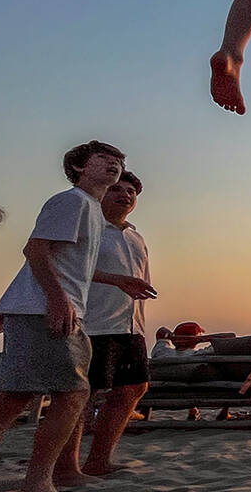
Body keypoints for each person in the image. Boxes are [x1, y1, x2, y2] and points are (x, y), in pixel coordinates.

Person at [0, 141, 130, 492]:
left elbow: (73, 265)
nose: (114, 165)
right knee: (72, 393)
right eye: (105, 159)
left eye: (119, 162)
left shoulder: (93, 210)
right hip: (47, 310)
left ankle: (38, 479)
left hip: (45, 309)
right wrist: (57, 301)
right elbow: (35, 249)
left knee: (13, 400)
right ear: (80, 167)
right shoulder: (72, 201)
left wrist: (116, 280)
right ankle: (39, 481)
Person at [68, 172, 157, 477]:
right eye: (116, 189)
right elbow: (67, 267)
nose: (125, 195)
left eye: (131, 190)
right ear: (101, 193)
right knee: (80, 396)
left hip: (131, 325)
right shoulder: (88, 227)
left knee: (133, 388)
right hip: (91, 322)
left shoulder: (135, 236)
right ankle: (67, 465)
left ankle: (99, 460)